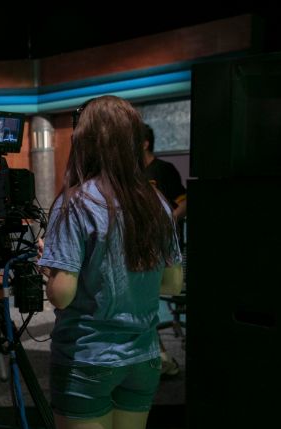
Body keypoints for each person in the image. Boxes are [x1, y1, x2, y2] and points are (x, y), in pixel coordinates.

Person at [39, 96, 183, 429]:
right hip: (144, 359)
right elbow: (173, 284)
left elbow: (62, 295)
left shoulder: (74, 202)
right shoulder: (157, 202)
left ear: (85, 142)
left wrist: (51, 267)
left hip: (88, 358)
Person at [142, 123, 187, 377]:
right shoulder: (131, 174)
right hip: (139, 249)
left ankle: (159, 358)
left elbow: (183, 201)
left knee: (145, 302)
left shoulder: (164, 170)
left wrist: (169, 219)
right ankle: (158, 358)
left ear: (145, 142)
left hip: (162, 249)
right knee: (142, 303)